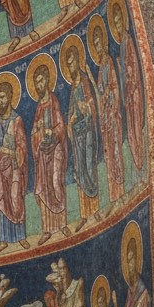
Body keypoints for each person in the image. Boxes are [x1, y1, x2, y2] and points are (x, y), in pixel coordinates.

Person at [0, 80, 31, 256]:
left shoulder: (16, 120)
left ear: (10, 97)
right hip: (0, 171)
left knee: (15, 199)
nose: (0, 102)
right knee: (2, 201)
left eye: (3, 97)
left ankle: (21, 236)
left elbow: (22, 146)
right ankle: (3, 240)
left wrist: (10, 152)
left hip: (14, 168)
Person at [64, 39, 103, 231]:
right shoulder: (73, 87)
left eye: (72, 62)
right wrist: (71, 120)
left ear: (77, 61)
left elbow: (92, 104)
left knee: (90, 167)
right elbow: (71, 113)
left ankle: (95, 210)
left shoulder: (85, 81)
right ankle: (84, 215)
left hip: (87, 133)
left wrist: (86, 108)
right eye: (68, 64)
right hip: (77, 136)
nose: (70, 67)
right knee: (80, 171)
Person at [29, 59, 69, 245]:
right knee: (43, 188)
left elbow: (60, 126)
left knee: (56, 184)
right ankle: (47, 229)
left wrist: (51, 132)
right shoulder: (39, 106)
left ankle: (62, 224)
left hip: (56, 150)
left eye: (41, 80)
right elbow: (33, 133)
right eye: (36, 82)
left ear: (47, 80)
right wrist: (37, 132)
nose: (39, 85)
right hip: (43, 154)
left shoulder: (53, 101)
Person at [110, 0, 146, 175]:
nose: (117, 26)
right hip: (128, 96)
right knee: (131, 130)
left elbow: (132, 70)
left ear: (124, 21)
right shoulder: (122, 45)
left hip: (135, 93)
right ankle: (138, 167)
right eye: (115, 23)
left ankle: (141, 164)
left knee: (136, 127)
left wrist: (127, 71)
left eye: (119, 22)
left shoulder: (128, 40)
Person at [93, 22, 125, 211]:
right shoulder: (100, 68)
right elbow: (99, 91)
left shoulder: (109, 63)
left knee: (115, 151)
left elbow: (114, 87)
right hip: (105, 119)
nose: (98, 48)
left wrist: (108, 97)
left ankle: (120, 193)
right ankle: (113, 198)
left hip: (112, 115)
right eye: (95, 45)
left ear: (104, 43)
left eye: (99, 44)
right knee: (108, 156)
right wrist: (101, 97)